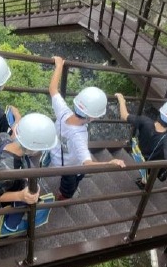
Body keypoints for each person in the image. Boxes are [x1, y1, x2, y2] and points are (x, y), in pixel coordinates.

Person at [47, 57, 125, 201]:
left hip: (57, 157)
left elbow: (52, 89)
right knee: (69, 187)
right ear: (92, 117)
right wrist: (109, 163)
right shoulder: (79, 136)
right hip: (70, 168)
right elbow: (87, 164)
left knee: (75, 176)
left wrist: (59, 66)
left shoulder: (63, 112)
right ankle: (64, 197)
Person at [0, 113, 59, 236]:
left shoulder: (2, 136)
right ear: (32, 149)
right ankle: (0, 230)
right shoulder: (8, 173)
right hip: (4, 200)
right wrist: (20, 196)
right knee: (7, 218)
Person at [114, 87, 167, 189]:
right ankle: (145, 184)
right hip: (153, 162)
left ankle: (144, 181)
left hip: (139, 154)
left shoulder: (145, 121)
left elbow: (124, 115)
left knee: (145, 171)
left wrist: (121, 100)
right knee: (151, 173)